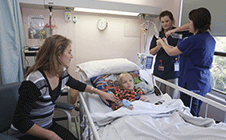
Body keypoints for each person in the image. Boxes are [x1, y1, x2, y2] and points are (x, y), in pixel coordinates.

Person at [9, 34, 117, 140]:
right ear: (58, 55)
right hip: (27, 133)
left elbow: (78, 84)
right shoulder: (34, 82)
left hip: (48, 126)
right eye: (69, 52)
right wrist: (51, 136)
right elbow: (20, 121)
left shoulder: (61, 74)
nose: (72, 56)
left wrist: (100, 92)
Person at [157, 7, 215, 116]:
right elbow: (176, 50)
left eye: (190, 22)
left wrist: (161, 43)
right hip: (202, 82)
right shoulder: (210, 39)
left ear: (196, 23)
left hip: (191, 83)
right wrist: (172, 33)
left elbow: (171, 52)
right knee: (194, 111)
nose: (188, 25)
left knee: (188, 113)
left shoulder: (192, 40)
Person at [149, 10, 192, 99]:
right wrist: (160, 45)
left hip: (173, 73)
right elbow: (151, 52)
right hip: (159, 73)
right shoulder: (158, 35)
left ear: (172, 20)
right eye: (162, 22)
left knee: (170, 99)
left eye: (167, 21)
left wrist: (175, 30)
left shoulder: (179, 33)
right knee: (158, 98)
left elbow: (191, 27)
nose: (165, 24)